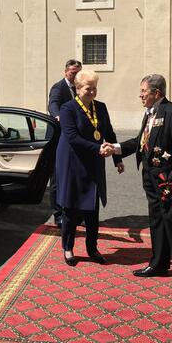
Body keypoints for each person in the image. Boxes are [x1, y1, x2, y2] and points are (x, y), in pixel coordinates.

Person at [108, 73, 172, 290]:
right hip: (150, 178)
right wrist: (115, 148)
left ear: (156, 92)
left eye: (143, 91)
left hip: (169, 181)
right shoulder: (149, 114)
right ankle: (158, 263)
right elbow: (140, 142)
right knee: (157, 221)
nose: (140, 95)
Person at [56, 69, 123, 266]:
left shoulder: (100, 108)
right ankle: (68, 247)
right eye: (88, 88)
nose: (92, 92)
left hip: (94, 160)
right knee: (71, 208)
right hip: (72, 162)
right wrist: (98, 147)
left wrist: (117, 158)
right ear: (77, 89)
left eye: (95, 88)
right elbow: (72, 137)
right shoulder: (67, 109)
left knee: (92, 208)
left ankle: (92, 248)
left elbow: (109, 133)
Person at [48, 59, 82, 227]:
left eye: (78, 73)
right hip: (59, 137)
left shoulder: (81, 88)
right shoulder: (59, 87)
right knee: (57, 178)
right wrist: (58, 116)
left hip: (76, 139)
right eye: (72, 73)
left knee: (75, 176)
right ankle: (58, 215)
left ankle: (75, 212)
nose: (75, 75)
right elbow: (53, 104)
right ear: (66, 72)